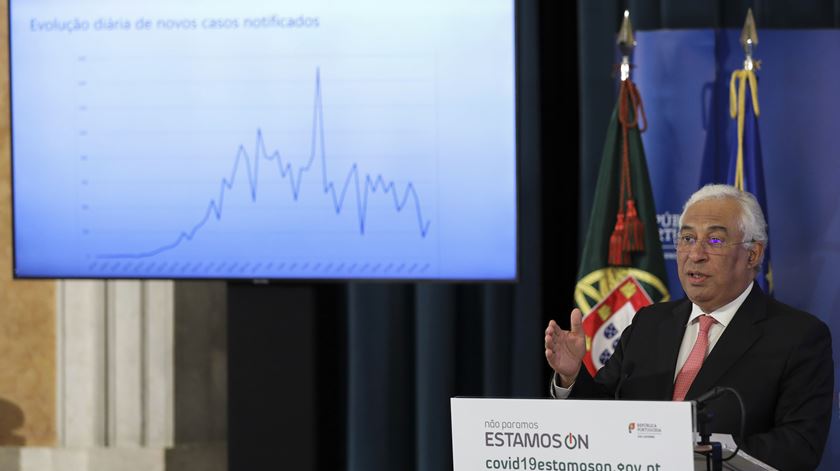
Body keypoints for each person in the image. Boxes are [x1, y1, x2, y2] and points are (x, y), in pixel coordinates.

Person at [544, 184, 833, 471]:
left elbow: (799, 446)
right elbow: (606, 411)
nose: (696, 254)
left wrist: (702, 453)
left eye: (715, 241)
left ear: (753, 254)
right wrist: (572, 377)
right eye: (687, 238)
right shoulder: (650, 322)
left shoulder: (798, 336)